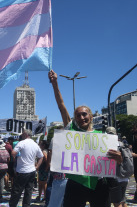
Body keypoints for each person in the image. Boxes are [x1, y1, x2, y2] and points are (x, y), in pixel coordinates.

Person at [48, 70, 109, 207]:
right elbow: (61, 106)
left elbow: (113, 162)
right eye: (78, 115)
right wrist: (55, 83)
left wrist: (118, 158)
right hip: (76, 184)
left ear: (91, 116)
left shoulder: (102, 136)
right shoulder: (71, 130)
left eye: (84, 114)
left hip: (98, 183)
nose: (81, 118)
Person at [9, 129, 43, 207]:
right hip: (32, 170)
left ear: (26, 134)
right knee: (28, 192)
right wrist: (37, 166)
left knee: (16, 192)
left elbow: (13, 153)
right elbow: (41, 157)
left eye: (23, 134)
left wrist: (16, 158)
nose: (22, 135)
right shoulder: (35, 144)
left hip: (22, 170)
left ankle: (13, 205)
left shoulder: (22, 143)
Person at [106, 127, 128, 207]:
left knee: (117, 202)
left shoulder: (109, 145)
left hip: (115, 177)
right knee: (121, 201)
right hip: (124, 176)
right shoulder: (122, 144)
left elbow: (119, 162)